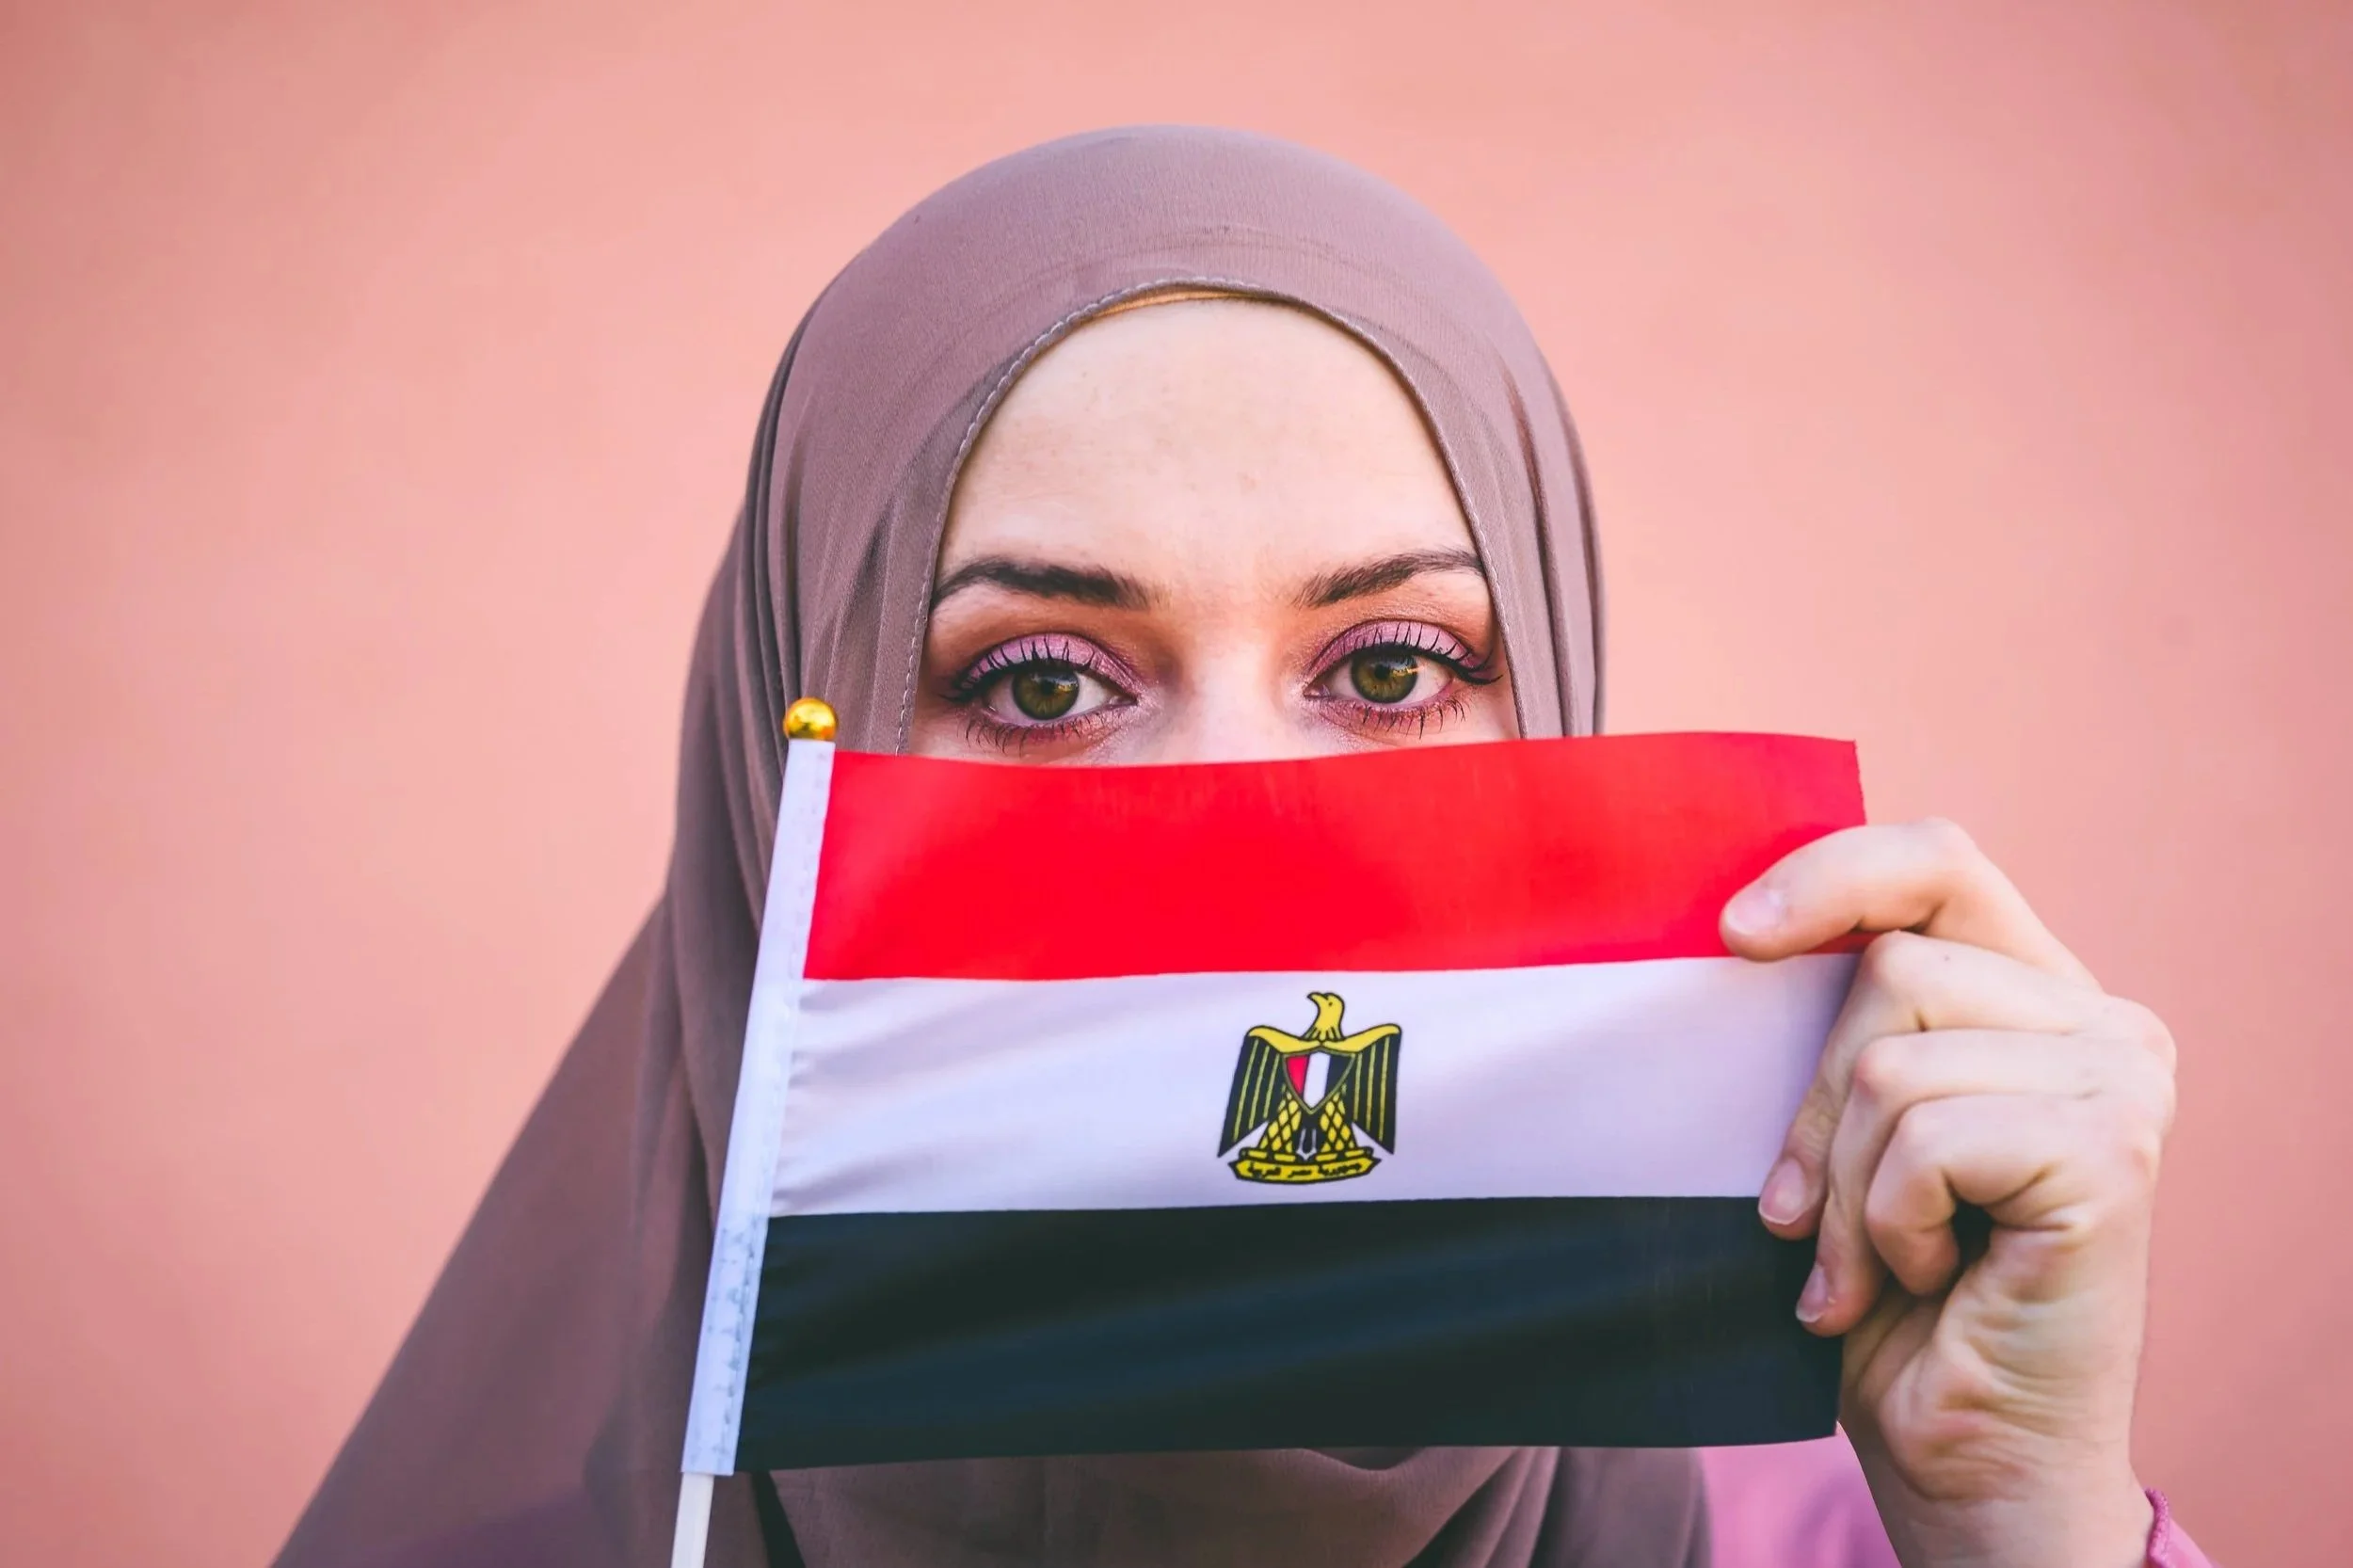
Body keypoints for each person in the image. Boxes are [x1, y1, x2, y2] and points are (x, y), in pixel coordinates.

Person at [276, 128, 2209, 1568]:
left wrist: (2025, 1520)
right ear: (796, 744)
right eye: (1043, 683)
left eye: (1388, 668)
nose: (1238, 819)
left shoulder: (1882, 1534)